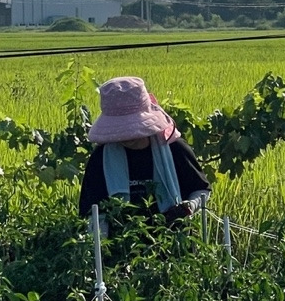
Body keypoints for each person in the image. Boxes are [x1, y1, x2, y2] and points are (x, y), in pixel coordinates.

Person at [78, 75, 210, 226]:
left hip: (173, 240)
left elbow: (201, 189)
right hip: (120, 244)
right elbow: (90, 210)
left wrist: (189, 207)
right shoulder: (101, 158)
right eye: (120, 132)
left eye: (131, 130)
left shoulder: (174, 148)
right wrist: (101, 243)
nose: (126, 137)